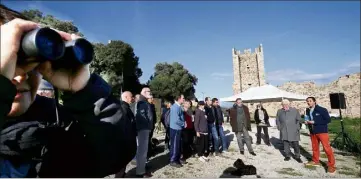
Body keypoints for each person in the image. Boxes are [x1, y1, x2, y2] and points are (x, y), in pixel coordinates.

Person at [0, 6, 136, 177]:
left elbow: (114, 157)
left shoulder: (53, 117)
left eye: (25, 61)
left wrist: (86, 94)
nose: (19, 77)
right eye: (6, 61)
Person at [304, 97, 335, 174]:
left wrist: (315, 122)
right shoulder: (307, 110)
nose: (308, 102)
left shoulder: (322, 109)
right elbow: (308, 118)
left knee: (327, 148)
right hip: (312, 132)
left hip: (322, 132)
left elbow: (328, 120)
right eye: (307, 101)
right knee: (315, 148)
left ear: (314, 101)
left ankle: (331, 165)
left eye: (310, 101)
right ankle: (315, 161)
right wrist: (306, 121)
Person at [134, 87, 153, 178]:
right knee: (142, 150)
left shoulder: (143, 101)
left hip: (144, 128)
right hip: (143, 129)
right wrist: (147, 126)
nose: (150, 93)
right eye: (149, 91)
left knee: (142, 150)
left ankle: (142, 167)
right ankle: (140, 172)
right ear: (144, 92)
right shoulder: (142, 102)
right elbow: (141, 116)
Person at [169, 94, 185, 168]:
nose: (184, 100)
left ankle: (177, 158)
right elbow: (176, 120)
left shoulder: (178, 106)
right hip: (175, 129)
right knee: (175, 145)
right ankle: (173, 160)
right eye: (183, 98)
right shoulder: (175, 107)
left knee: (177, 145)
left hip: (178, 128)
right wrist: (183, 123)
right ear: (179, 98)